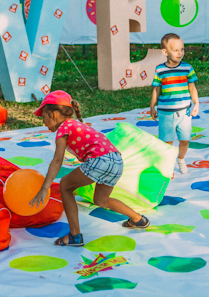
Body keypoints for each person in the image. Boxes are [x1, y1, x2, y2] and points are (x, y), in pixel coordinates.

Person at [29, 90, 149, 247]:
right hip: (117, 160)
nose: (43, 122)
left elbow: (58, 160)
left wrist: (45, 187)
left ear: (54, 114)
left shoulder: (63, 128)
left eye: (43, 117)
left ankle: (74, 236)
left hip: (100, 160)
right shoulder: (77, 125)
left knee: (65, 185)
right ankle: (138, 220)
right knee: (101, 200)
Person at [150, 33, 199, 174]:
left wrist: (196, 104)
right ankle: (168, 164)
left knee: (185, 139)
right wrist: (152, 106)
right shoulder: (160, 70)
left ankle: (181, 159)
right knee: (167, 142)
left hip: (185, 112)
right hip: (166, 113)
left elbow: (192, 88)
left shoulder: (187, 68)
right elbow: (156, 89)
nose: (180, 53)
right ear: (165, 52)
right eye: (176, 50)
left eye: (182, 49)